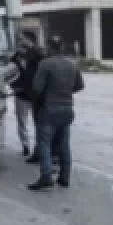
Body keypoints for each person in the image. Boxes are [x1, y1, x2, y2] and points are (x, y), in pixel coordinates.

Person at [28, 36, 83, 190]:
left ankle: (46, 176)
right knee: (64, 144)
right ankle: (64, 177)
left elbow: (37, 88)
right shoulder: (71, 65)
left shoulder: (45, 64)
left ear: (50, 48)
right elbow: (79, 86)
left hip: (49, 108)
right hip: (67, 108)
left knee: (45, 143)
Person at [11, 31, 45, 159]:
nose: (20, 40)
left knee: (38, 122)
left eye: (23, 38)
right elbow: (11, 68)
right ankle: (25, 145)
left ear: (30, 40)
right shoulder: (17, 55)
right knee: (21, 121)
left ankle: (38, 147)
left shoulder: (38, 53)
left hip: (34, 94)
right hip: (20, 93)